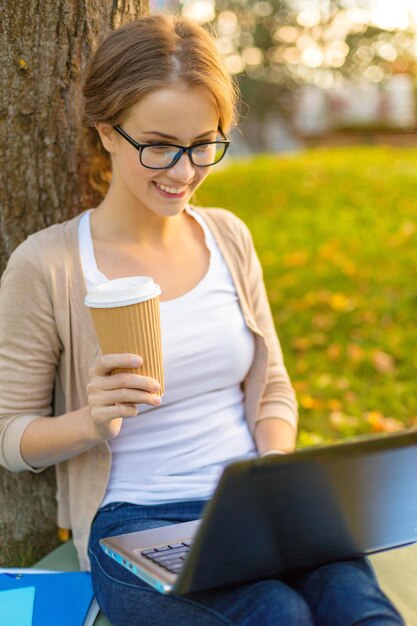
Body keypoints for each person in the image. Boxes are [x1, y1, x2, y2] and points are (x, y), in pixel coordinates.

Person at [0, 13, 405, 626]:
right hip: (137, 521)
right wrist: (91, 420)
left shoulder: (228, 237)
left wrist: (274, 469)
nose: (185, 172)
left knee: (358, 606)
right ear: (108, 131)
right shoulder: (49, 264)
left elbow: (271, 388)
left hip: (253, 503)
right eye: (158, 145)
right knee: (274, 613)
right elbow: (10, 436)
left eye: (203, 144)